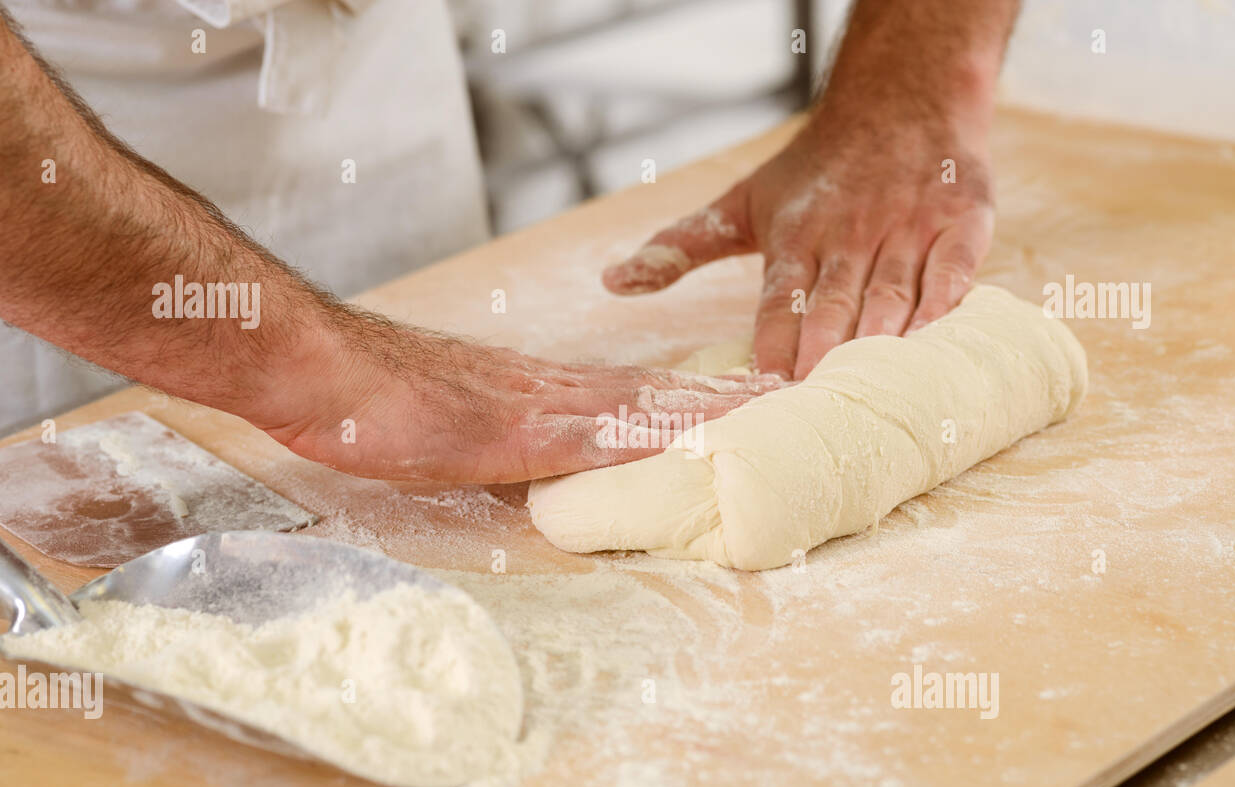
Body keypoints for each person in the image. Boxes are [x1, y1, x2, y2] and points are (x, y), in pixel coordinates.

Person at [0, 0, 1020, 482]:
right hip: (55, 138)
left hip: (364, 60)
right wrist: (338, 380)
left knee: (469, 551)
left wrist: (914, 87)